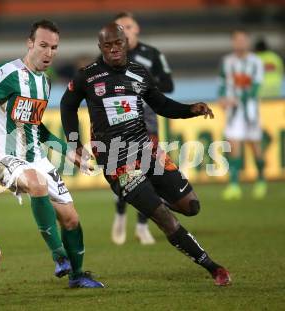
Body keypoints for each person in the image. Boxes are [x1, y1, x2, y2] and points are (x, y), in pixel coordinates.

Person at [60, 23, 231, 286]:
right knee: (165, 219)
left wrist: (190, 110)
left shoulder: (140, 73)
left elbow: (160, 103)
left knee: (192, 206)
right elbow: (67, 104)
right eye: (108, 45)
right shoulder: (88, 76)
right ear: (101, 48)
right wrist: (75, 143)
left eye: (118, 43)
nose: (114, 49)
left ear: (125, 42)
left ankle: (153, 196)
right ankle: (212, 267)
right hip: (116, 160)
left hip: (147, 149)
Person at [0, 20, 103, 288]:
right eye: (43, 45)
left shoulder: (44, 82)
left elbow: (36, 127)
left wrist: (67, 151)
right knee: (36, 183)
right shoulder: (8, 73)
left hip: (36, 158)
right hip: (2, 157)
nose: (49, 52)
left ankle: (76, 276)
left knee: (70, 218)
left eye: (54, 47)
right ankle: (59, 257)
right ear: (30, 43)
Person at [110, 12, 174, 246]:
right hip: (119, 121)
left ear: (136, 29)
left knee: (148, 172)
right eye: (120, 27)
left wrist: (145, 83)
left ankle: (141, 226)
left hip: (146, 120)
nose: (124, 31)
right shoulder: (109, 54)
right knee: (124, 173)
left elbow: (169, 84)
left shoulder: (152, 55)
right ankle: (119, 213)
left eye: (128, 26)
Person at [219, 30, 266, 200]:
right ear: (233, 42)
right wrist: (222, 99)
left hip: (250, 111)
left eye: (243, 40)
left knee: (255, 146)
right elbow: (222, 83)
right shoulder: (227, 61)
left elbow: (255, 88)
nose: (240, 43)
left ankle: (261, 179)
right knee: (234, 145)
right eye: (237, 40)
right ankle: (234, 184)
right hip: (233, 112)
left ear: (248, 42)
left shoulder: (256, 62)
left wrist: (235, 99)